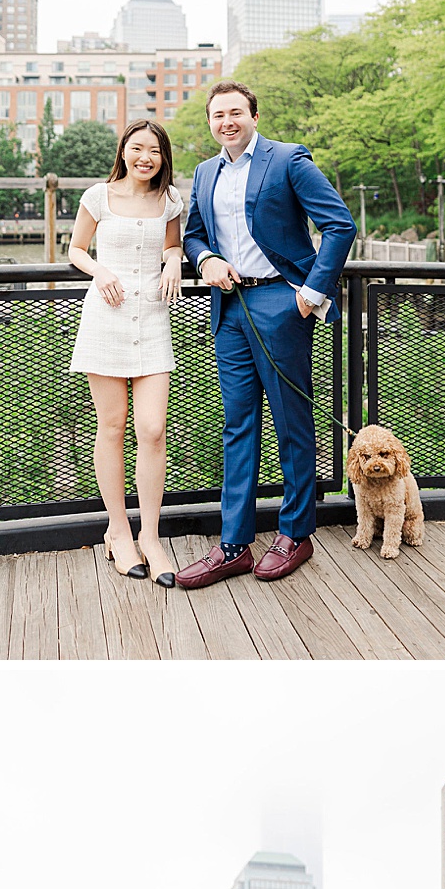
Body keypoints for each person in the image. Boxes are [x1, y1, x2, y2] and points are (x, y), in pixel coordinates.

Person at [178, 81, 357, 588]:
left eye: (236, 112)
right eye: (218, 115)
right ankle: (234, 543)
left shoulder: (287, 160)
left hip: (283, 303)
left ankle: (295, 534)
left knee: (291, 420)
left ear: (254, 115)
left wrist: (310, 294)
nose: (227, 122)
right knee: (238, 425)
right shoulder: (205, 171)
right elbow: (193, 232)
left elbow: (339, 225)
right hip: (229, 308)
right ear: (210, 122)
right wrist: (206, 258)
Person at [66, 120, 185, 586]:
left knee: (153, 429)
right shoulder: (98, 196)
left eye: (153, 151)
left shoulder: (171, 200)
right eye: (137, 148)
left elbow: (173, 245)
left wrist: (173, 260)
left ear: (162, 157)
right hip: (106, 319)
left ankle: (151, 536)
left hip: (153, 320)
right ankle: (118, 531)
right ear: (124, 151)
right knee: (111, 426)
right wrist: (100, 271)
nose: (145, 157)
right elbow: (76, 248)